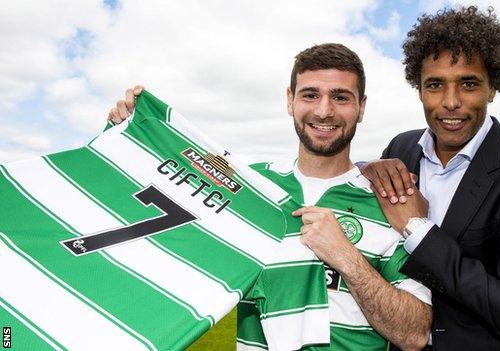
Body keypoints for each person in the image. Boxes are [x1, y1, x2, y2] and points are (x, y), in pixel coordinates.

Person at [106, 44, 432, 350]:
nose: (323, 110)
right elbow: (154, 226)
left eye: (341, 98)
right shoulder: (248, 187)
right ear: (290, 100)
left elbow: (414, 334)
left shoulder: (390, 199)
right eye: (310, 94)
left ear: (361, 107)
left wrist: (345, 257)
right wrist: (128, 137)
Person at [360, 6, 500, 350]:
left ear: (493, 88)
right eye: (435, 85)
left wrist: (417, 228)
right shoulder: (401, 146)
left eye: (468, 84)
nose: (450, 102)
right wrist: (367, 169)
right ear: (419, 89)